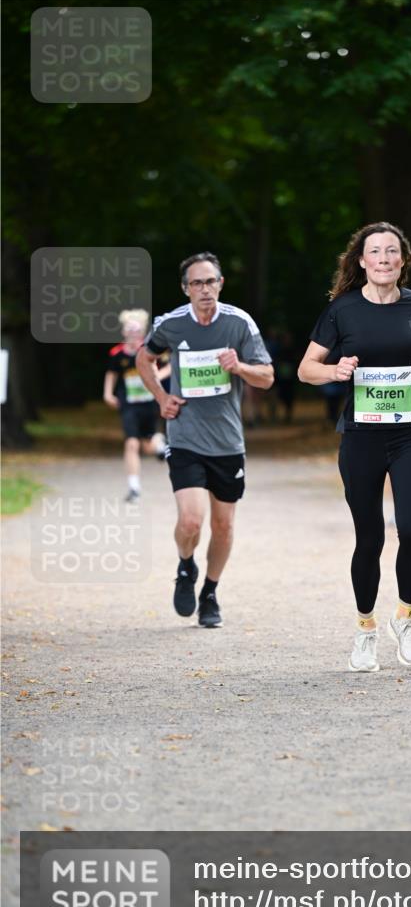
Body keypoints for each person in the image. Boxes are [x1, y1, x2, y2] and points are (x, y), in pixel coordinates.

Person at [298, 222, 411, 673]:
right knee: (370, 537)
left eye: (391, 252)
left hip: (409, 434)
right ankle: (365, 627)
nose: (384, 259)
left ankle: (405, 618)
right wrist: (335, 371)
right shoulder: (342, 311)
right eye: (375, 252)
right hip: (361, 438)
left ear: (402, 260)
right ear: (361, 261)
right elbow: (307, 368)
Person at [136, 252, 274, 628]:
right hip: (185, 437)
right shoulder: (172, 325)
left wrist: (239, 367)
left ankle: (210, 592)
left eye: (210, 281)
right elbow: (143, 358)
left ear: (220, 284)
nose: (204, 289)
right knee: (191, 521)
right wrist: (162, 398)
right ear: (186, 289)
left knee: (224, 526)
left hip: (228, 441)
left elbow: (267, 377)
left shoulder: (238, 323)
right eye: (196, 283)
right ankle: (185, 566)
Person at [103, 309, 169, 502]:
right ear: (124, 333)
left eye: (137, 332)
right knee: (131, 443)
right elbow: (112, 374)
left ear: (143, 334)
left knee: (147, 447)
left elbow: (171, 366)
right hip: (129, 405)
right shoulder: (117, 354)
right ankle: (134, 488)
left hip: (150, 404)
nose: (133, 336)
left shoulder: (151, 351)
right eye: (129, 332)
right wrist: (108, 393)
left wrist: (156, 377)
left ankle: (159, 444)